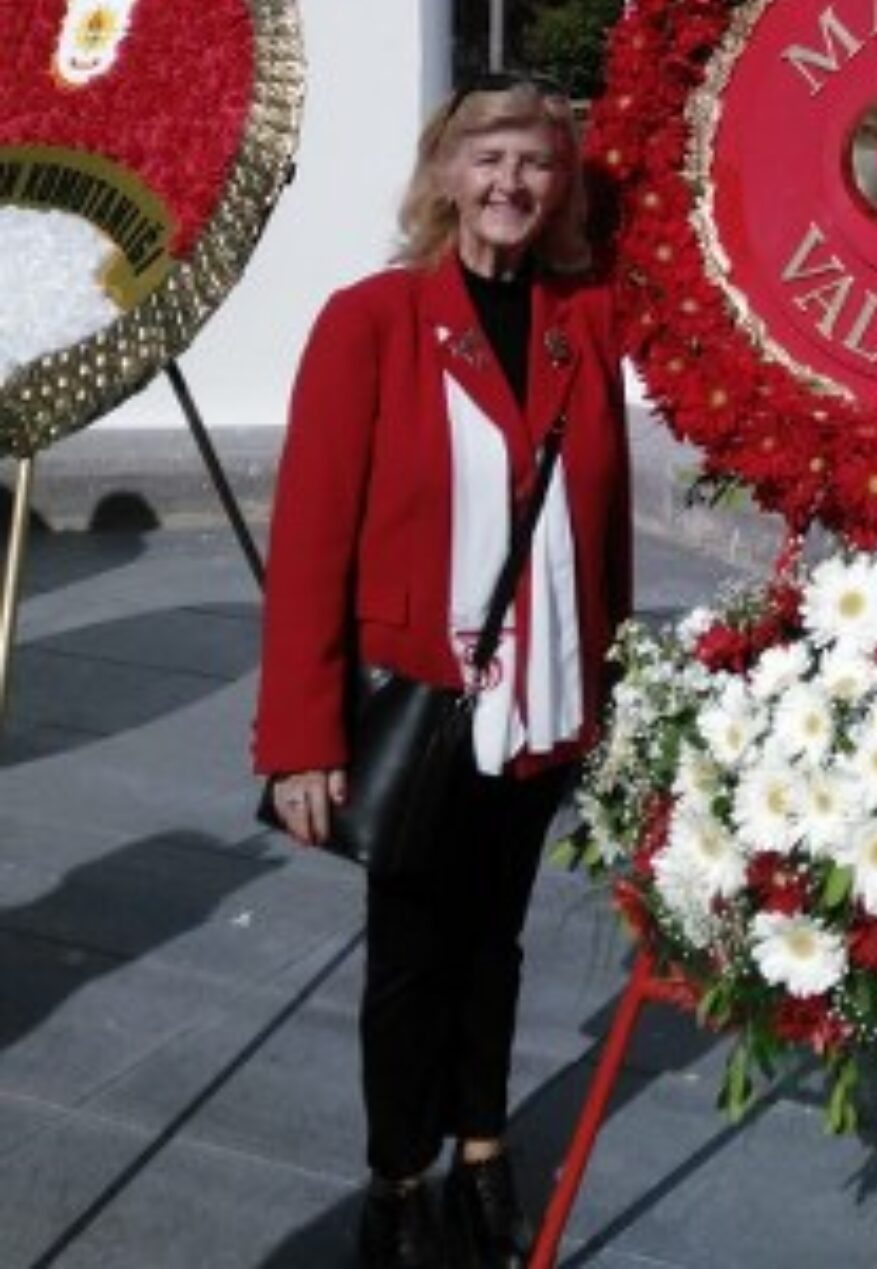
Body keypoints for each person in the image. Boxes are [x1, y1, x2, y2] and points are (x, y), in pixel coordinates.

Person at [255, 74, 631, 1269]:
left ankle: (482, 1151)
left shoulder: (589, 316)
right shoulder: (371, 320)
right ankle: (394, 1178)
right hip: (429, 698)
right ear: (444, 176)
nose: (511, 184)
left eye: (535, 162)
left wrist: (608, 678)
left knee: (498, 939)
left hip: (547, 702)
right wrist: (300, 736)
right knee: (412, 959)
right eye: (489, 160)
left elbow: (606, 524)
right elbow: (310, 542)